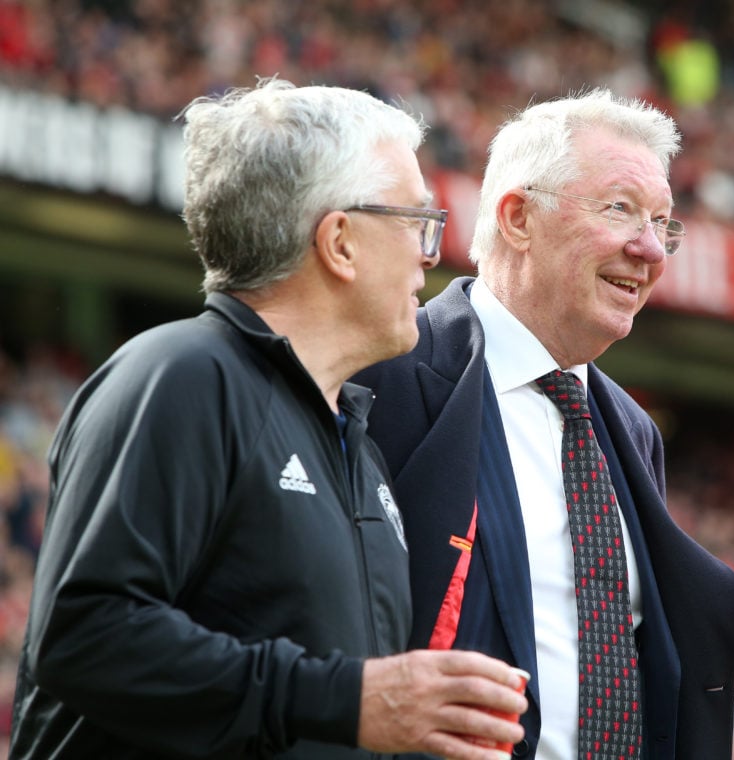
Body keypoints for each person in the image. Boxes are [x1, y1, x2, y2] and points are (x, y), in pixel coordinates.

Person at [9, 78, 528, 760]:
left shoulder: (357, 444)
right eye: (415, 223)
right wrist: (347, 699)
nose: (429, 256)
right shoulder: (180, 377)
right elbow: (86, 636)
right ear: (339, 241)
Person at [351, 88, 734, 760]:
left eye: (662, 223)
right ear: (518, 217)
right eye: (621, 209)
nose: (651, 249)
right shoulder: (382, 374)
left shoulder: (630, 427)